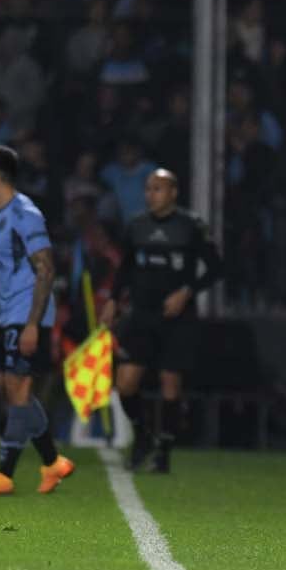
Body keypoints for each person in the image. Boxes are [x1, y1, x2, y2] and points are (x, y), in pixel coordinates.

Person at [0, 146, 75, 495]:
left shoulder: (26, 214)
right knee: (10, 390)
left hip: (27, 312)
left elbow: (47, 269)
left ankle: (4, 475)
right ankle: (53, 462)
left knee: (18, 388)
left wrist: (34, 324)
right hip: (7, 313)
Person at [100, 169, 223, 474]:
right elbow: (125, 269)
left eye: (157, 189)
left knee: (170, 384)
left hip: (176, 318)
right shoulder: (136, 227)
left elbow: (216, 268)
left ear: (173, 193)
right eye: (148, 189)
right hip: (142, 314)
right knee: (125, 384)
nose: (150, 195)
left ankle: (164, 452)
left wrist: (186, 291)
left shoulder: (190, 227)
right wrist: (114, 300)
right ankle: (142, 434)